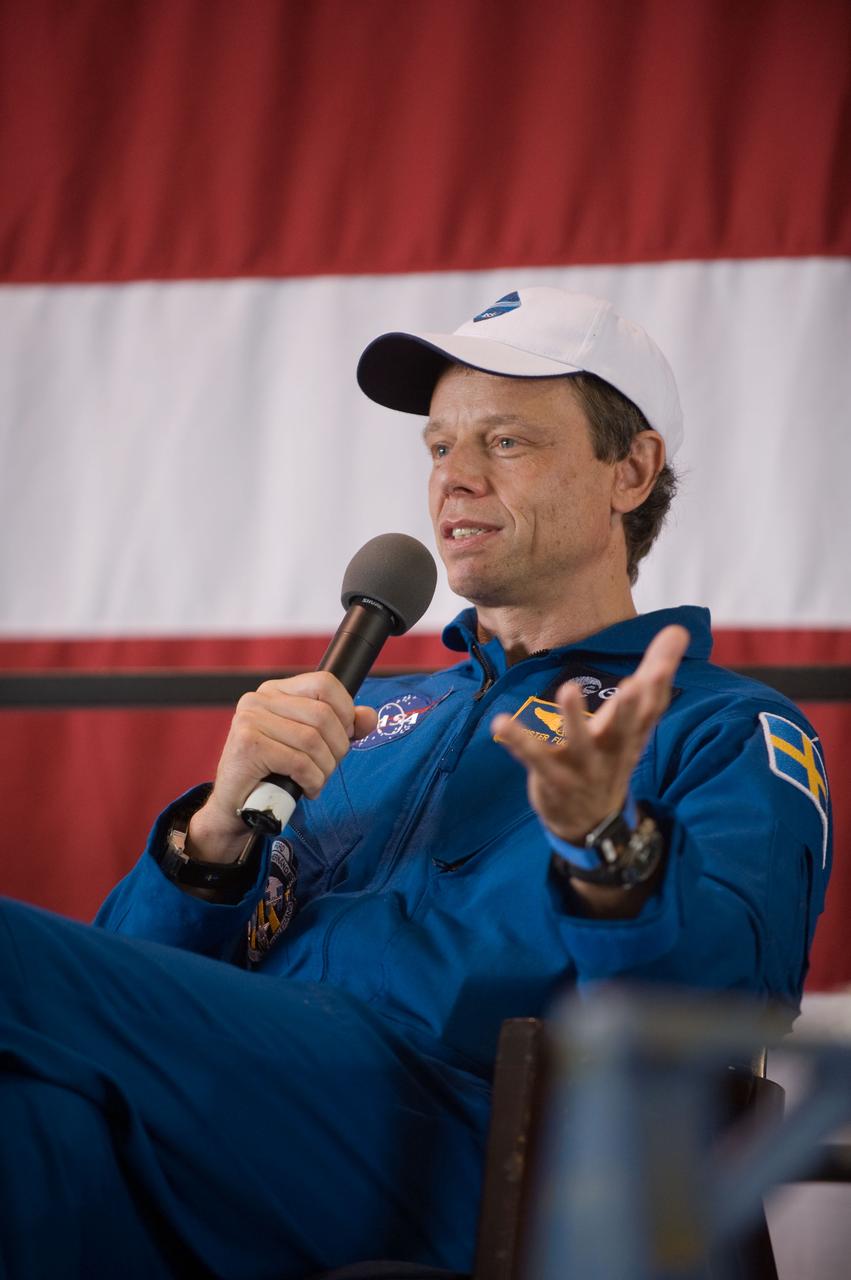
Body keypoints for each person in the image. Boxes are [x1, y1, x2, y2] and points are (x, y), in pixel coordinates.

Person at [0, 288, 831, 1279]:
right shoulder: (361, 716)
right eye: (439, 446)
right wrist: (215, 836)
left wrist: (609, 846)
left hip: (495, 1155)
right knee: (29, 1124)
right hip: (257, 1126)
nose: (454, 479)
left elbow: (718, 1010)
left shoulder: (721, 726)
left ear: (630, 470)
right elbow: (128, 981)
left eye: (505, 442)